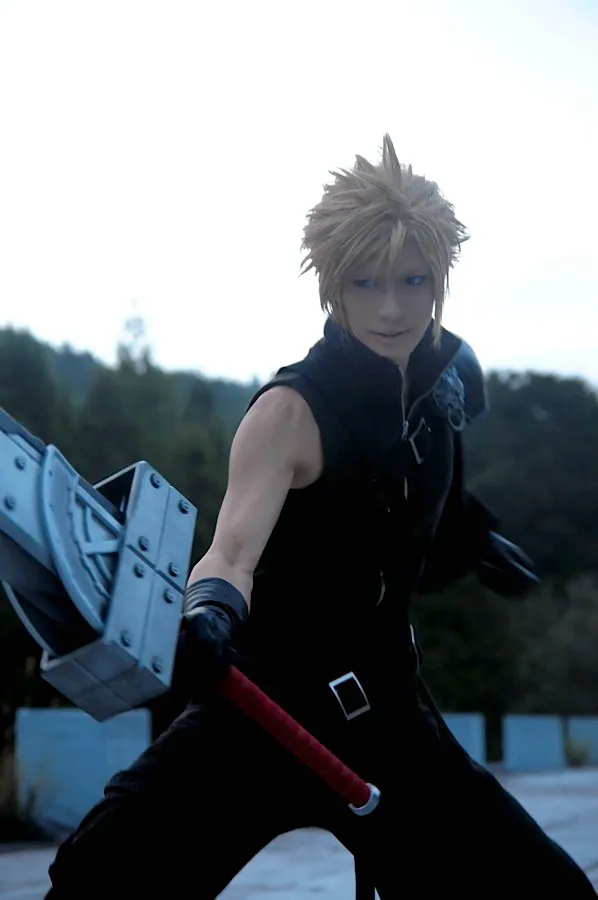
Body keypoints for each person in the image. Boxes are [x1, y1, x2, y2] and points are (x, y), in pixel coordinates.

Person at [44, 135, 596, 898]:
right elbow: (231, 552)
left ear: (440, 279)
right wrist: (208, 613)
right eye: (365, 283)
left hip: (388, 715)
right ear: (333, 285)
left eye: (413, 281)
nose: (391, 308)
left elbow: (408, 498)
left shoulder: (443, 389)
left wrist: (468, 536)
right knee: (97, 883)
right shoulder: (289, 413)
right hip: (263, 712)